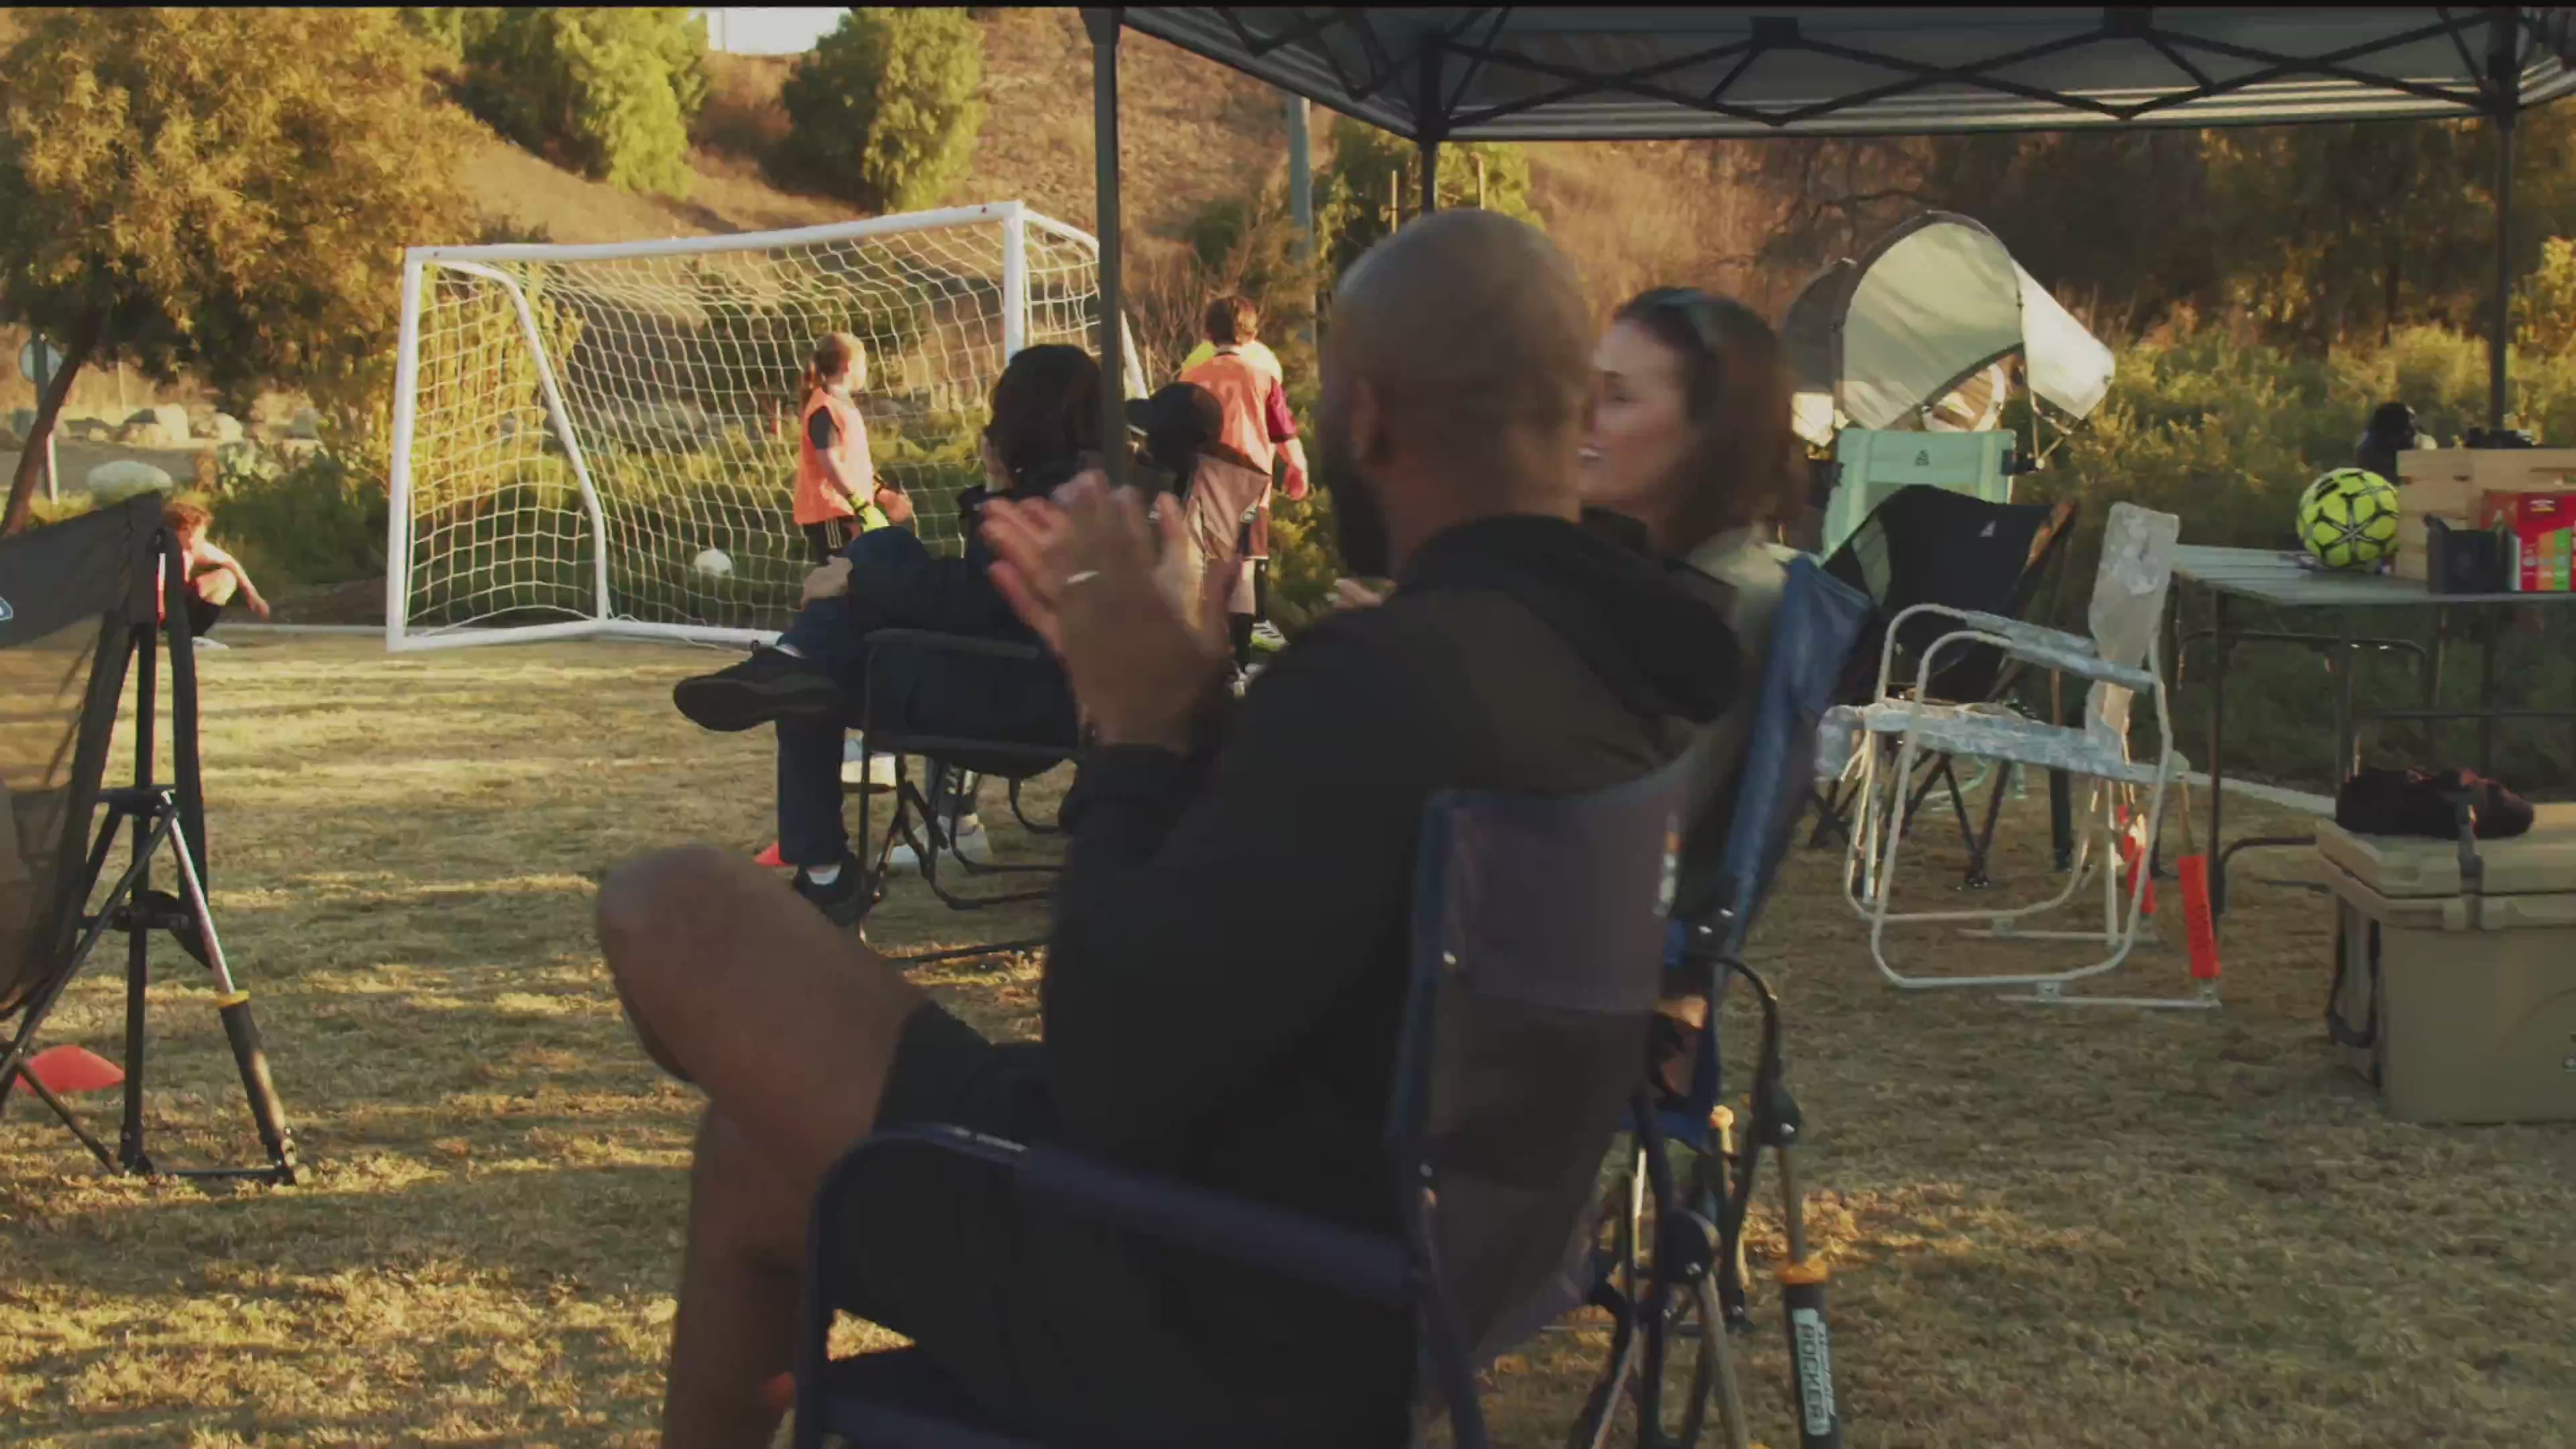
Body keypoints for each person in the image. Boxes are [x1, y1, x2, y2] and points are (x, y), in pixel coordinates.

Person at [596, 209, 1739, 1449]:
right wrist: (1200, 713)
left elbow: (1105, 1067)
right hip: (1388, 1272)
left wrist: (1133, 732)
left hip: (1220, 1304)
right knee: (753, 1151)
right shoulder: (1622, 681)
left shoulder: (1392, 681)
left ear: (1368, 420)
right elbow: (1288, 924)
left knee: (668, 909)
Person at [668, 344, 1093, 924]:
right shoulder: (1108, 492)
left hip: (1010, 704)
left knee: (819, 672)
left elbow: (977, 600)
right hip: (1051, 699)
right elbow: (985, 596)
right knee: (870, 572)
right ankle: (792, 662)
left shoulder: (1049, 505)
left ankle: (824, 872)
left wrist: (857, 579)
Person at [1178, 297, 1309, 671]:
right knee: (1245, 569)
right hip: (1250, 484)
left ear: (1208, 334)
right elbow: (1284, 433)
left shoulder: (1192, 378)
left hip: (1204, 484)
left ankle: (1201, 657)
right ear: (1253, 335)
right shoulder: (1263, 379)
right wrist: (1298, 467)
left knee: (1199, 571)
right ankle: (1240, 662)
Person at [794, 332, 903, 565]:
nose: (866, 370)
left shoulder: (843, 405)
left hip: (849, 510)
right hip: (831, 513)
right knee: (838, 573)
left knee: (857, 572)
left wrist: (882, 494)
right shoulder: (824, 407)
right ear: (849, 365)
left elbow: (852, 464)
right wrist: (858, 502)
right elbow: (830, 462)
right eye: (864, 364)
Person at [160, 499, 270, 650]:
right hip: (155, 609)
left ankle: (192, 635)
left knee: (226, 578)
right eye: (197, 533)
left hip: (176, 606)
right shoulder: (159, 549)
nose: (197, 538)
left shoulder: (196, 549)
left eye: (200, 533)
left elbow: (231, 563)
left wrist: (253, 595)